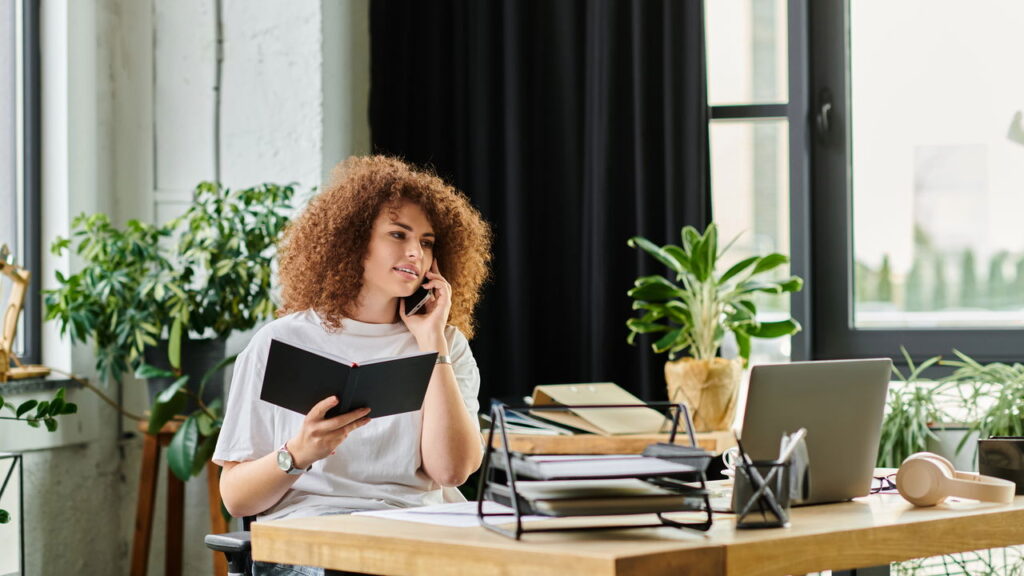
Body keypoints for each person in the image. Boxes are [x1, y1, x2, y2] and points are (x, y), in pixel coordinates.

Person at [212, 156, 492, 576]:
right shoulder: (280, 343)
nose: (415, 252)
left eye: (428, 242)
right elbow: (236, 498)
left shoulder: (446, 344)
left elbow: (451, 470)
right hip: (314, 539)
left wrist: (431, 343)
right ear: (355, 240)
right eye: (398, 235)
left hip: (418, 532)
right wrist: (301, 452)